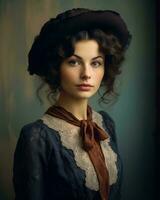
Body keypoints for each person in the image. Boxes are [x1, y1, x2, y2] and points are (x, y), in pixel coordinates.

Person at [12, 8, 131, 200]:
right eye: (74, 62)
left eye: (96, 63)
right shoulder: (36, 137)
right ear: (55, 67)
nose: (87, 74)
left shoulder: (106, 124)